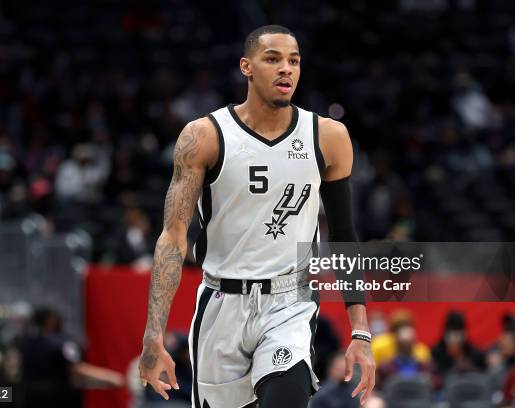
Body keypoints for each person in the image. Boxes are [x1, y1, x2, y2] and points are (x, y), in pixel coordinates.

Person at [138, 25, 376, 408]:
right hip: (222, 303)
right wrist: (154, 335)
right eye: (273, 59)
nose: (286, 69)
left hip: (288, 304)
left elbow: (345, 235)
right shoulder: (205, 136)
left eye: (294, 61)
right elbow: (173, 236)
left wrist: (361, 333)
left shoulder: (328, 136)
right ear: (246, 67)